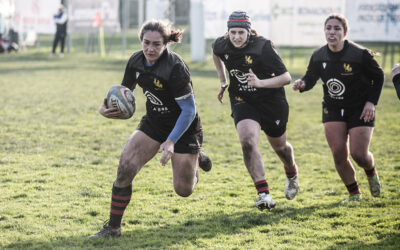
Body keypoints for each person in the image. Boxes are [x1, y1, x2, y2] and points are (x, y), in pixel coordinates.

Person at [89, 20, 211, 238]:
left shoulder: (175, 67)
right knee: (126, 166)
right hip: (154, 122)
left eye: (156, 44)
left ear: (165, 44)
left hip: (184, 127)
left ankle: (195, 157)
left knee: (183, 190)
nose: (150, 49)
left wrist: (171, 141)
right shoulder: (136, 61)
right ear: (141, 41)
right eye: (146, 43)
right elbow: (122, 91)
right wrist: (104, 106)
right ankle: (113, 228)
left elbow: (189, 110)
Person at [212, 11, 299, 211]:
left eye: (241, 32)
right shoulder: (222, 44)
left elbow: (286, 77)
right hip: (243, 99)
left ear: (249, 31)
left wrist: (259, 83)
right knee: (247, 141)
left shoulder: (263, 47)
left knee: (280, 147)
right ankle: (263, 194)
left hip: (271, 101)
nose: (236, 37)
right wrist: (223, 80)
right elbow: (216, 53)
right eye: (232, 32)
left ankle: (291, 173)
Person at [293, 14, 384, 203]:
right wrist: (302, 83)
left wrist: (371, 103)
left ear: (344, 32)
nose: (331, 32)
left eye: (336, 29)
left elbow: (379, 76)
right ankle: (354, 194)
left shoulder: (359, 55)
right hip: (333, 108)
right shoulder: (318, 56)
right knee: (338, 154)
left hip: (359, 108)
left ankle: (371, 172)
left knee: (359, 154)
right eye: (328, 28)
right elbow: (311, 77)